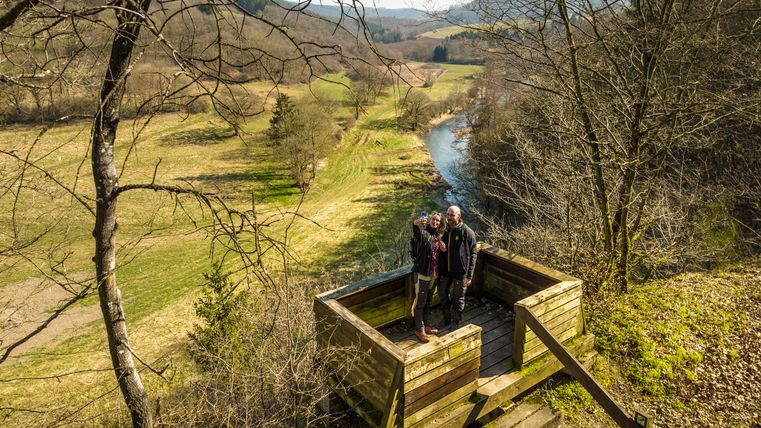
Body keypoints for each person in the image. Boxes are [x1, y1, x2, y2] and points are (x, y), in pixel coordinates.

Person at [437, 205, 477, 330]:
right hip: (445, 270)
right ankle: (446, 318)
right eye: (447, 214)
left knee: (458, 297)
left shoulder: (467, 232)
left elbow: (472, 254)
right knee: (442, 293)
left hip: (460, 272)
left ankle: (455, 321)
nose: (448, 217)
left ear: (459, 216)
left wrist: (469, 276)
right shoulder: (444, 229)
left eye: (452, 215)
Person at [411, 211, 447, 342]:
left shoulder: (438, 236)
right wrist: (415, 224)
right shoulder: (425, 234)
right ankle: (419, 330)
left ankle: (425, 325)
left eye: (438, 221)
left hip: (433, 274)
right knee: (420, 303)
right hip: (422, 274)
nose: (435, 222)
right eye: (433, 220)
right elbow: (417, 233)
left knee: (428, 301)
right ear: (430, 220)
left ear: (440, 223)